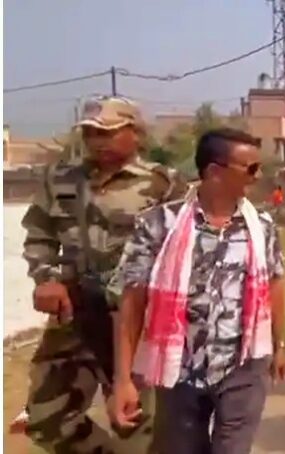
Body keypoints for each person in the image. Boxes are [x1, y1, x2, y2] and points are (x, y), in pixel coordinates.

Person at [20, 96, 187, 453]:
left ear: (135, 133)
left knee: (135, 424)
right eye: (91, 133)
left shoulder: (164, 184)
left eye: (107, 132)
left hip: (133, 318)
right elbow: (39, 234)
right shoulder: (60, 178)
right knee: (47, 418)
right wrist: (46, 277)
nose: (97, 140)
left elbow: (185, 249)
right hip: (73, 311)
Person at [112, 128, 285, 454]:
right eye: (250, 168)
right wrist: (124, 379)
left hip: (244, 366)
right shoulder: (158, 225)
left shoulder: (262, 227)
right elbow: (132, 303)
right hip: (179, 371)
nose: (258, 176)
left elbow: (274, 284)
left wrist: (279, 345)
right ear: (215, 171)